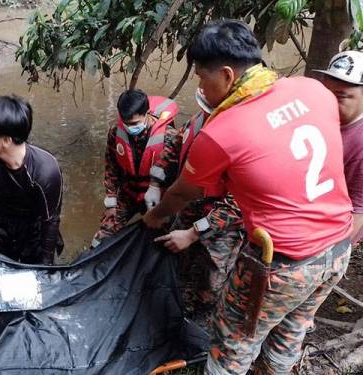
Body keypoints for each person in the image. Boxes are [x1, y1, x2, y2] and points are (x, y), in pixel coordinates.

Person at [143, 20, 352, 375]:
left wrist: (155, 217)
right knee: (290, 333)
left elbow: (182, 192)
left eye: (200, 77)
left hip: (281, 263)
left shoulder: (223, 130)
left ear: (226, 75)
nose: (199, 86)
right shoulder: (313, 90)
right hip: (337, 249)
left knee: (234, 343)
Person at [150, 89, 245, 316]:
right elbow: (175, 145)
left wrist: (194, 233)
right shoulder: (199, 119)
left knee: (212, 279)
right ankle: (180, 307)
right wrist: (155, 182)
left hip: (221, 221)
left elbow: (237, 203)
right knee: (178, 263)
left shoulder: (243, 139)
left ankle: (203, 320)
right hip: (190, 204)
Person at [0, 95, 64, 265]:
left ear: (6, 140)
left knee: (38, 274)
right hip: (0, 223)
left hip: (34, 227)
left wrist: (46, 264)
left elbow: (50, 220)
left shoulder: (46, 170)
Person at [92, 89, 178, 247]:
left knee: (165, 239)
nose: (130, 128)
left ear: (147, 113)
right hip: (128, 193)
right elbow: (111, 167)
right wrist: (111, 203)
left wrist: (164, 207)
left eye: (135, 124)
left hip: (155, 197)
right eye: (126, 124)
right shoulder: (116, 133)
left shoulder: (170, 136)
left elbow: (178, 177)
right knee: (102, 236)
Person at [316, 50, 363, 245]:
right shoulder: (320, 118)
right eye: (327, 93)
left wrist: (333, 255)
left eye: (341, 96)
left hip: (334, 230)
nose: (331, 101)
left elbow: (359, 211)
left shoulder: (360, 141)